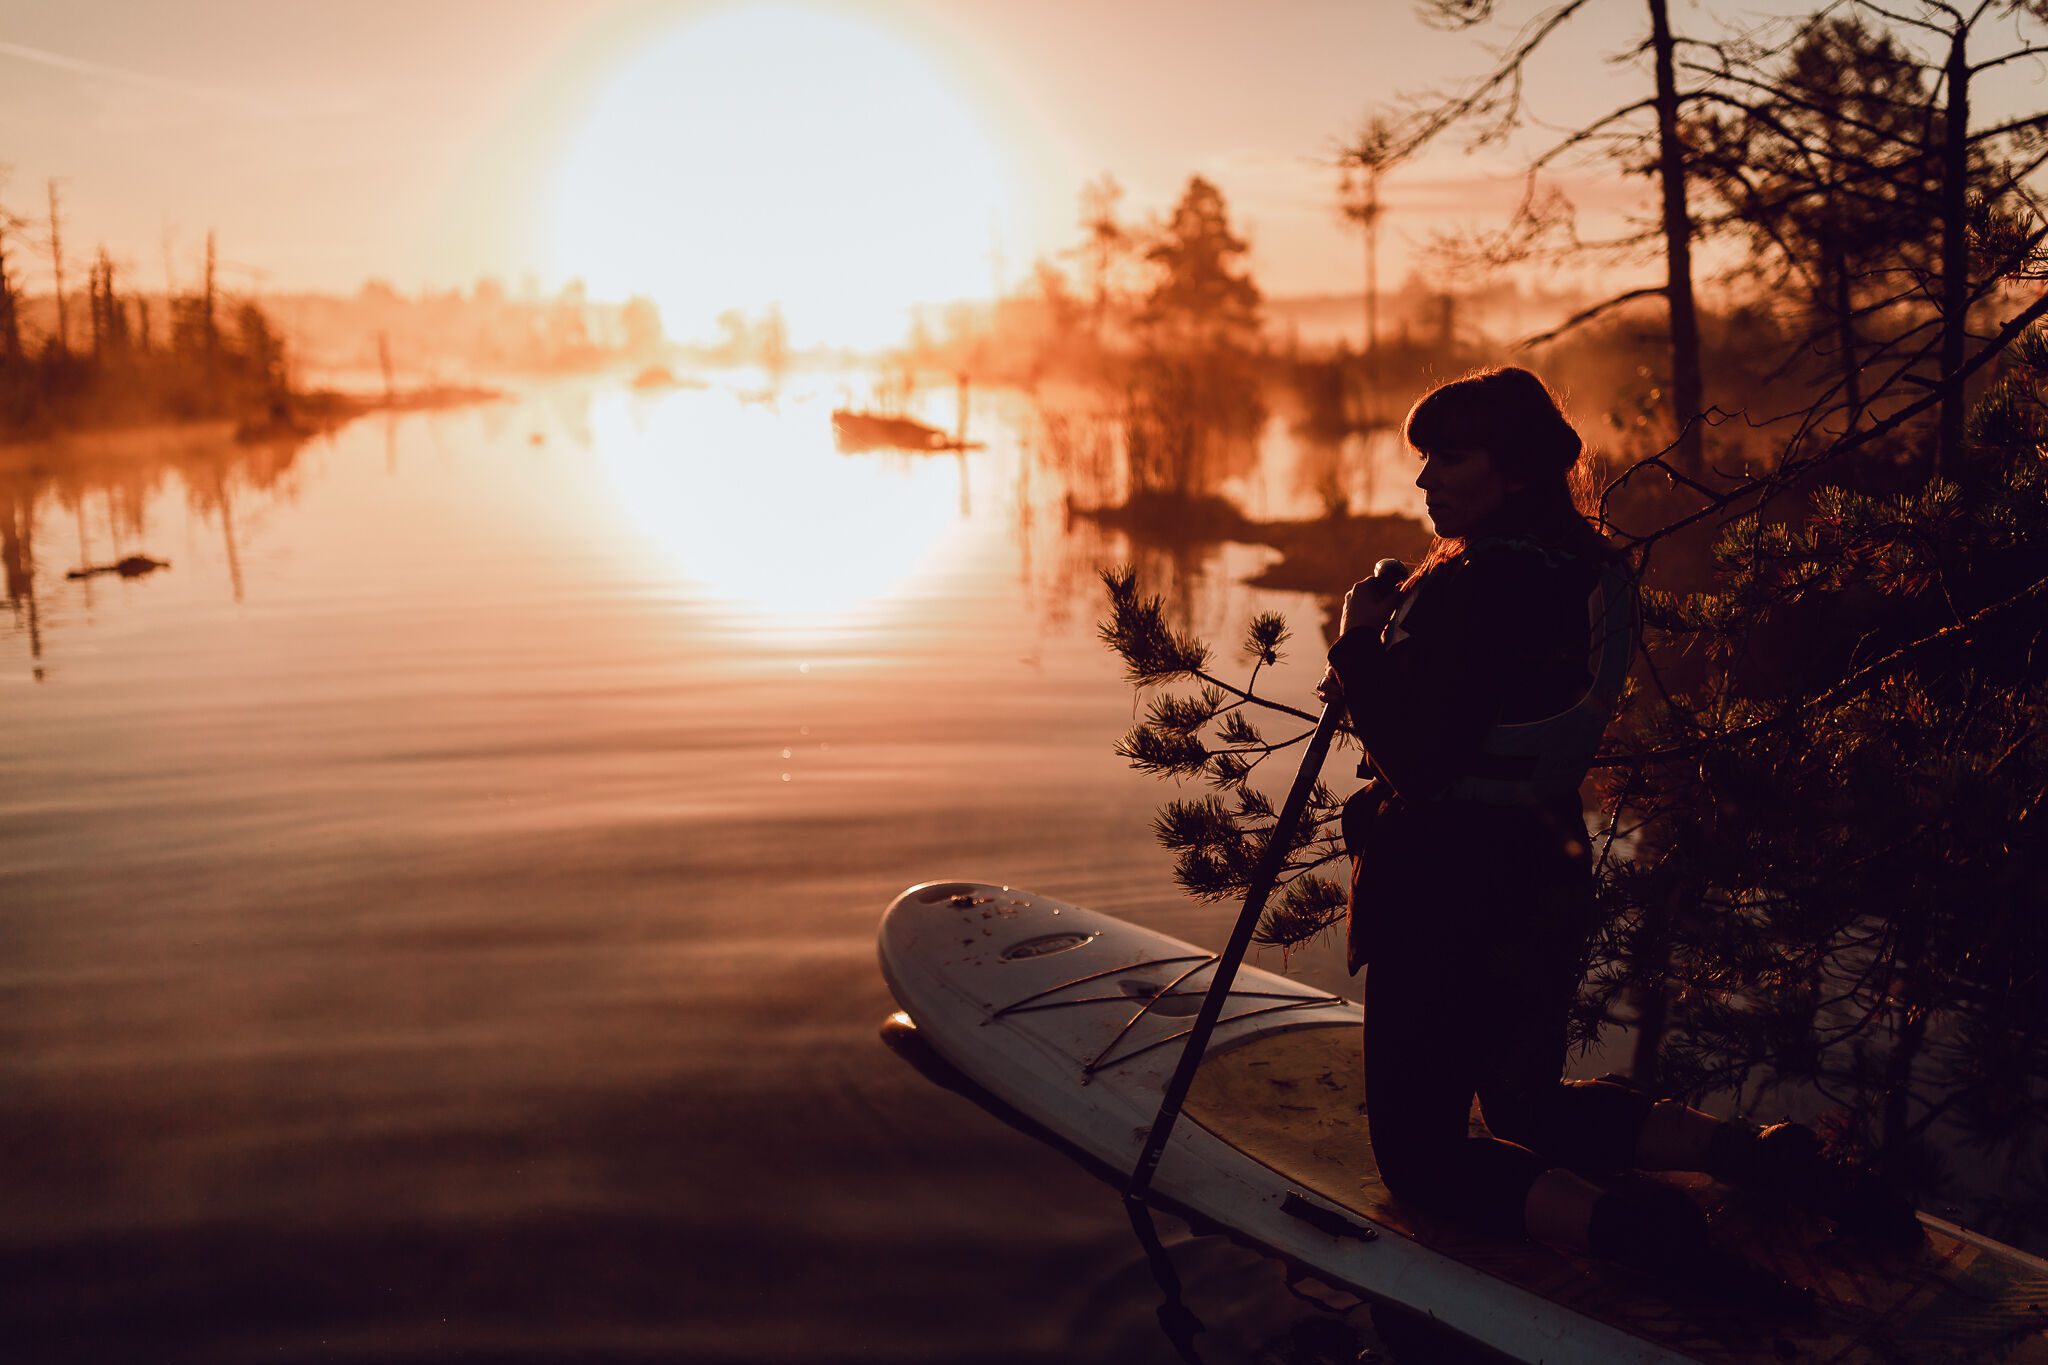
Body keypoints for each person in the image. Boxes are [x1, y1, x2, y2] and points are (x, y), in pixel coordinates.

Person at [1316, 367, 1917, 1289]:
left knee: (1424, 1160)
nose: (1427, 477)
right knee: (1525, 1098)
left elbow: (1426, 765)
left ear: (1513, 470)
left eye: (1451, 457)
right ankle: (1757, 1156)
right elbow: (1498, 706)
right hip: (1541, 862)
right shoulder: (1589, 567)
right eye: (1424, 458)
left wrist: (1359, 644)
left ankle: (1633, 1232)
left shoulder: (1479, 582)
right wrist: (1391, 670)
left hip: (1444, 887)